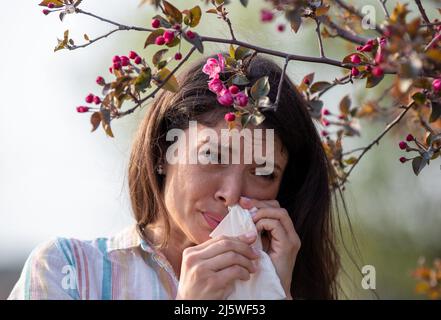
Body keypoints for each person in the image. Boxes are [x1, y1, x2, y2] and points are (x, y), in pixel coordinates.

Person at [9, 52, 340, 300]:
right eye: (212, 156)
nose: (232, 193)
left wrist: (271, 290)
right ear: (162, 154)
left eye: (264, 173)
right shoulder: (69, 270)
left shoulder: (287, 281)